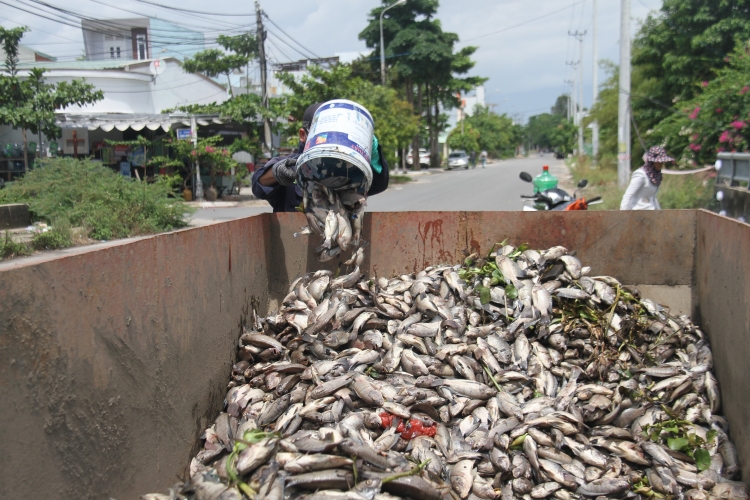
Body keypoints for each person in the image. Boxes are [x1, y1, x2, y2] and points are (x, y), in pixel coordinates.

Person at [252, 102, 390, 213]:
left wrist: (373, 155)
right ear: (303, 135)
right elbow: (258, 186)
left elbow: (378, 184)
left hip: (340, 241)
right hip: (293, 242)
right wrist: (276, 172)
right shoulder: (288, 164)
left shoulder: (348, 167)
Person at [620, 146, 674, 210]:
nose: (661, 164)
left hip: (650, 212)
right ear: (652, 162)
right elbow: (628, 195)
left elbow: (653, 198)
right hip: (637, 212)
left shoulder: (656, 177)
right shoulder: (641, 175)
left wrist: (660, 214)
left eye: (662, 162)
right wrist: (622, 214)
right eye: (659, 162)